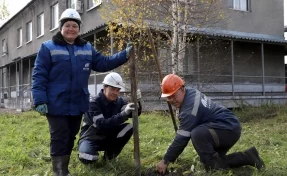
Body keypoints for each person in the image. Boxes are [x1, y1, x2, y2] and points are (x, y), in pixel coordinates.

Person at [32, 9, 133, 176]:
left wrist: (124, 55)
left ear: (78, 28)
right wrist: (39, 99)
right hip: (56, 103)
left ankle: (63, 168)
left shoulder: (87, 48)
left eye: (74, 26)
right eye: (67, 25)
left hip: (78, 102)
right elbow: (39, 75)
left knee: (71, 135)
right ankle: (60, 171)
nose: (71, 29)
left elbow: (103, 63)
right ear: (61, 27)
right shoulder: (48, 48)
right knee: (59, 135)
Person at [156, 74, 265, 174]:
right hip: (224, 126)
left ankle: (239, 160)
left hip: (227, 128)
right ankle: (249, 157)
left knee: (198, 135)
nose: (171, 100)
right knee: (217, 161)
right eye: (168, 97)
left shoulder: (190, 109)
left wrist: (165, 161)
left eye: (174, 95)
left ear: (182, 89)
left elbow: (182, 138)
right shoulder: (190, 92)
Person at [78, 72, 142, 164]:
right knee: (89, 158)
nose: (115, 93)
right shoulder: (93, 103)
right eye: (112, 89)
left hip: (109, 137)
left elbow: (133, 113)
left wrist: (137, 102)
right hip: (91, 138)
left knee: (129, 127)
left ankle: (110, 156)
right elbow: (102, 125)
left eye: (118, 90)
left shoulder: (119, 101)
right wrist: (123, 114)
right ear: (104, 87)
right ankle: (88, 151)